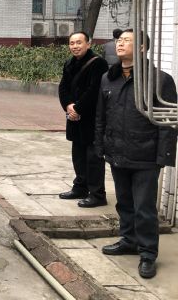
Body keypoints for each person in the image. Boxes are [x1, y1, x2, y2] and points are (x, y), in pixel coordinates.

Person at [95, 29, 177, 279]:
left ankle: (148, 253)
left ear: (142, 48)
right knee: (124, 203)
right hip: (117, 153)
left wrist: (163, 157)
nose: (120, 43)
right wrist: (101, 145)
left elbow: (168, 122)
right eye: (119, 40)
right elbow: (101, 115)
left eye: (127, 41)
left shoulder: (159, 80)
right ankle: (128, 240)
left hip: (145, 156)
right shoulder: (108, 78)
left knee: (144, 208)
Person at [58, 31, 109, 208]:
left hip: (91, 118)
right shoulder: (69, 63)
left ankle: (97, 194)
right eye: (72, 43)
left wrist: (77, 109)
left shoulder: (98, 63)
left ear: (88, 43)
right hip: (74, 118)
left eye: (79, 42)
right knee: (78, 155)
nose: (75, 46)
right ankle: (80, 187)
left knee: (93, 157)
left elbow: (95, 90)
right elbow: (63, 87)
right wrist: (68, 106)